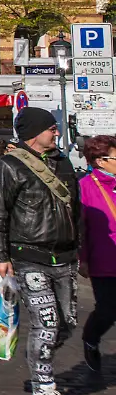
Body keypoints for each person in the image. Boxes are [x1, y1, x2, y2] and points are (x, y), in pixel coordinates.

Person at [0, 107, 82, 395]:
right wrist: (1, 257)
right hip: (29, 255)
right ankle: (44, 389)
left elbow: (76, 207)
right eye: (51, 128)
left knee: (65, 324)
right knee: (47, 322)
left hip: (65, 256)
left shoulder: (62, 162)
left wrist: (80, 248)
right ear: (35, 133)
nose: (56, 132)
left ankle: (37, 356)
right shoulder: (9, 166)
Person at [79, 135, 116, 376]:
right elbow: (80, 227)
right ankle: (91, 337)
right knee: (109, 310)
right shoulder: (85, 187)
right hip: (104, 258)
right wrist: (82, 258)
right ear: (101, 161)